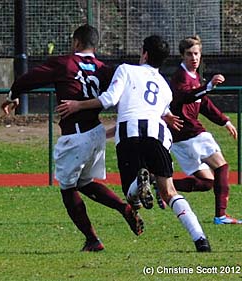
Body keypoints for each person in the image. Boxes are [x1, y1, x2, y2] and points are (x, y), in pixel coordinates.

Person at [56, 35, 212, 252]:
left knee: (129, 193)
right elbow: (158, 109)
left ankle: (139, 186)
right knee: (170, 192)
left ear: (144, 53)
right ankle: (200, 239)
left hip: (129, 135)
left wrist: (78, 105)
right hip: (157, 136)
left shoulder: (126, 70)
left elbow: (109, 100)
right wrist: (166, 115)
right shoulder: (165, 87)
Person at [2, 24, 144, 252]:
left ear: (76, 42)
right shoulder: (103, 68)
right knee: (84, 183)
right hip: (97, 132)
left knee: (68, 189)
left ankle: (92, 239)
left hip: (75, 135)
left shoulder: (65, 63)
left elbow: (28, 79)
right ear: (94, 45)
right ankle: (123, 208)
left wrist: (13, 95)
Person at [168, 35, 241, 224]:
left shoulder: (195, 76)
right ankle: (221, 216)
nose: (194, 58)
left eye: (197, 53)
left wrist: (224, 121)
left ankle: (162, 186)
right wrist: (208, 86)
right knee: (222, 166)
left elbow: (204, 103)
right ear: (182, 56)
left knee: (207, 183)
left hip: (182, 137)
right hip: (189, 132)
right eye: (189, 54)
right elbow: (186, 97)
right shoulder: (179, 77)